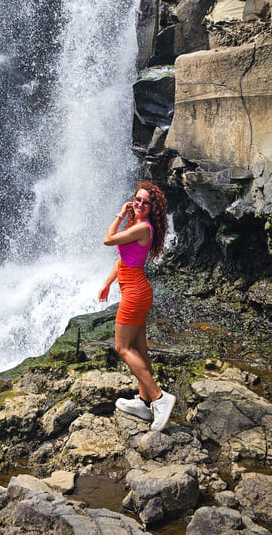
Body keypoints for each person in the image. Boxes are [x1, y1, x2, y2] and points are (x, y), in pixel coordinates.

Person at [98, 180, 175, 431]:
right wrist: (108, 283)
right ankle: (144, 402)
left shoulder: (142, 227)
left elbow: (108, 240)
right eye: (138, 200)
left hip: (134, 294)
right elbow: (122, 259)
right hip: (137, 291)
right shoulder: (137, 226)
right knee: (139, 350)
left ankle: (159, 398)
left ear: (153, 207)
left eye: (146, 202)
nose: (140, 204)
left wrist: (120, 213)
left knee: (122, 347)